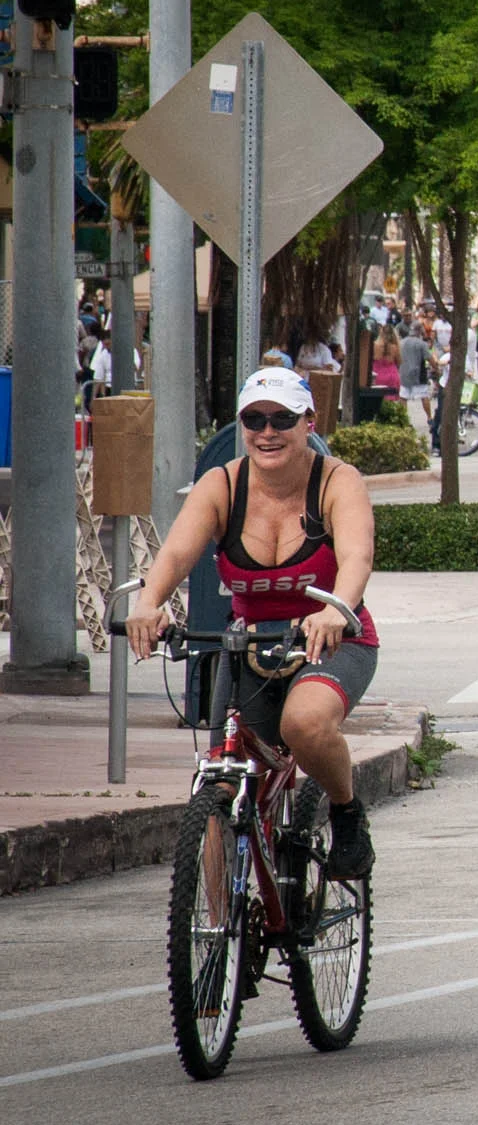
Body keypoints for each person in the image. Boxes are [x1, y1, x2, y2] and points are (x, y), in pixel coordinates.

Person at [124, 369, 382, 877]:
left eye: (282, 419)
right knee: (224, 784)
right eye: (254, 419)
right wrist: (149, 602)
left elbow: (358, 557)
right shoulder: (222, 484)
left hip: (330, 640)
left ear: (308, 422)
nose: (268, 432)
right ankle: (218, 935)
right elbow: (176, 553)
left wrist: (336, 609)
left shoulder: (336, 480)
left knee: (304, 724)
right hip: (249, 646)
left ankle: (347, 812)